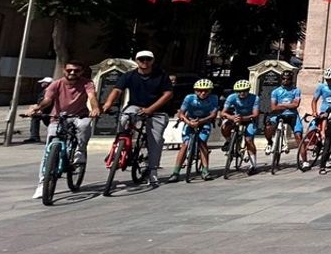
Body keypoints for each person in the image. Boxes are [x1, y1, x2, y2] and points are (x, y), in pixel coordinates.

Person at [101, 50, 174, 187]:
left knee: (155, 140)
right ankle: (120, 147)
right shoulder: (129, 75)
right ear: (136, 60)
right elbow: (117, 90)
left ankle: (152, 171)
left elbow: (168, 94)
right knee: (124, 118)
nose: (144, 62)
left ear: (152, 61)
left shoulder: (161, 75)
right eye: (141, 59)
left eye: (148, 59)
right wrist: (108, 103)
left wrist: (150, 109)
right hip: (135, 105)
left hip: (157, 110)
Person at [30, 63, 98, 199]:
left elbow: (92, 97)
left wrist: (95, 108)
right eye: (69, 70)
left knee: (84, 126)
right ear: (64, 71)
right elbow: (48, 100)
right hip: (58, 118)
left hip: (79, 116)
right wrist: (37, 108)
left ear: (81, 71)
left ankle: (79, 153)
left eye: (76, 70)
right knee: (49, 149)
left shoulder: (87, 83)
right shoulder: (56, 84)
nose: (72, 72)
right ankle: (43, 183)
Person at [165, 78, 220, 182]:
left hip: (204, 121)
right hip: (190, 121)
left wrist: (201, 121)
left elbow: (213, 115)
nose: (203, 93)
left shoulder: (213, 98)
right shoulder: (189, 98)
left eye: (206, 90)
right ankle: (175, 172)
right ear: (195, 91)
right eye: (199, 90)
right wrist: (188, 122)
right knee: (185, 145)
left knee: (202, 143)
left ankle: (205, 171)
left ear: (210, 91)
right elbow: (181, 113)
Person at [221, 79, 261, 175]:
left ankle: (253, 165)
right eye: (239, 91)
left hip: (249, 119)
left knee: (249, 140)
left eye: (244, 91)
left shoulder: (255, 98)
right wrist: (232, 117)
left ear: (248, 90)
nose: (242, 93)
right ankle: (228, 140)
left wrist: (243, 118)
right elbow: (223, 112)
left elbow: (255, 114)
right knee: (224, 126)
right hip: (236, 118)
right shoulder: (232, 97)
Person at [265, 70, 303, 159]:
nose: (285, 81)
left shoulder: (296, 90)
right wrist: (289, 105)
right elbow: (274, 107)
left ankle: (304, 160)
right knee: (268, 126)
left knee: (298, 136)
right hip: (278, 115)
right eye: (283, 79)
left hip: (292, 115)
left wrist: (281, 105)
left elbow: (296, 105)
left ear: (291, 80)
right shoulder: (276, 91)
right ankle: (270, 142)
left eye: (288, 79)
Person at [26, 76, 54, 144]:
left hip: (48, 112)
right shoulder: (45, 91)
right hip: (44, 111)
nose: (41, 84)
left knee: (39, 119)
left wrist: (39, 109)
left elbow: (46, 103)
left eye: (43, 82)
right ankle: (34, 136)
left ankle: (34, 137)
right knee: (38, 119)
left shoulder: (49, 92)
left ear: (47, 84)